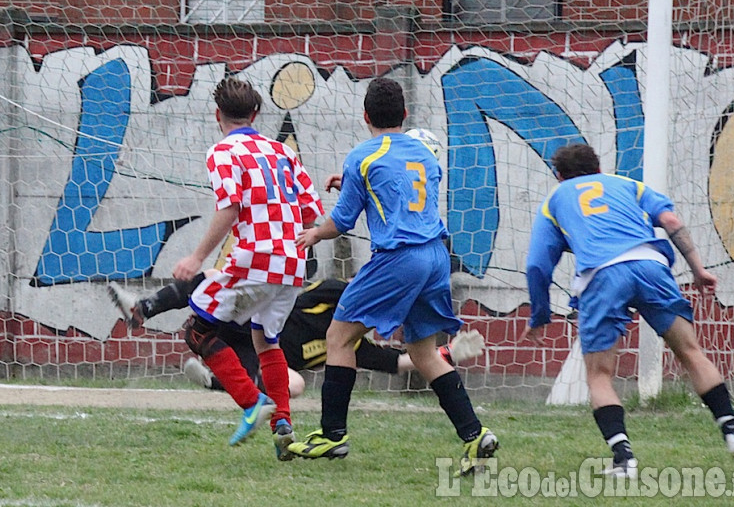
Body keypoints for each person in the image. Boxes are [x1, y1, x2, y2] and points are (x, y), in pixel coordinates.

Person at [286, 77, 498, 475]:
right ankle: (475, 435)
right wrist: (351, 184)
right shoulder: (423, 154)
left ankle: (332, 435)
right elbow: (395, 188)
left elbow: (343, 220)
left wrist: (315, 231)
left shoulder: (362, 156)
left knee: (338, 336)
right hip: (436, 256)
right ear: (404, 115)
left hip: (399, 259)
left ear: (365, 116)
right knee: (423, 353)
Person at [523, 142, 734, 477]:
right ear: (599, 168)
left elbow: (536, 265)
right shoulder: (629, 185)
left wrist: (540, 314)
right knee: (691, 351)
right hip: (651, 265)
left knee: (599, 374)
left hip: (603, 276)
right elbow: (670, 220)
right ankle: (733, 434)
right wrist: (698, 269)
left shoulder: (555, 200)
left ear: (559, 176)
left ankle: (624, 459)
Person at [171, 76, 324, 461]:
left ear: (217, 114)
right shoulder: (282, 152)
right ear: (256, 114)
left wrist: (197, 258)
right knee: (265, 340)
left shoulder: (222, 152)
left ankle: (251, 402)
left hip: (255, 257)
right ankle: (283, 426)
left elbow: (230, 206)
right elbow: (312, 213)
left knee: (196, 330)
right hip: (293, 263)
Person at [108, 276, 486, 396]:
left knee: (297, 385)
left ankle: (217, 381)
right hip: (250, 325)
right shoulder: (337, 295)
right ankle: (144, 308)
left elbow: (402, 362)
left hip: (258, 358)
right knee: (213, 275)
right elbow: (295, 292)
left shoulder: (353, 344)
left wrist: (449, 352)